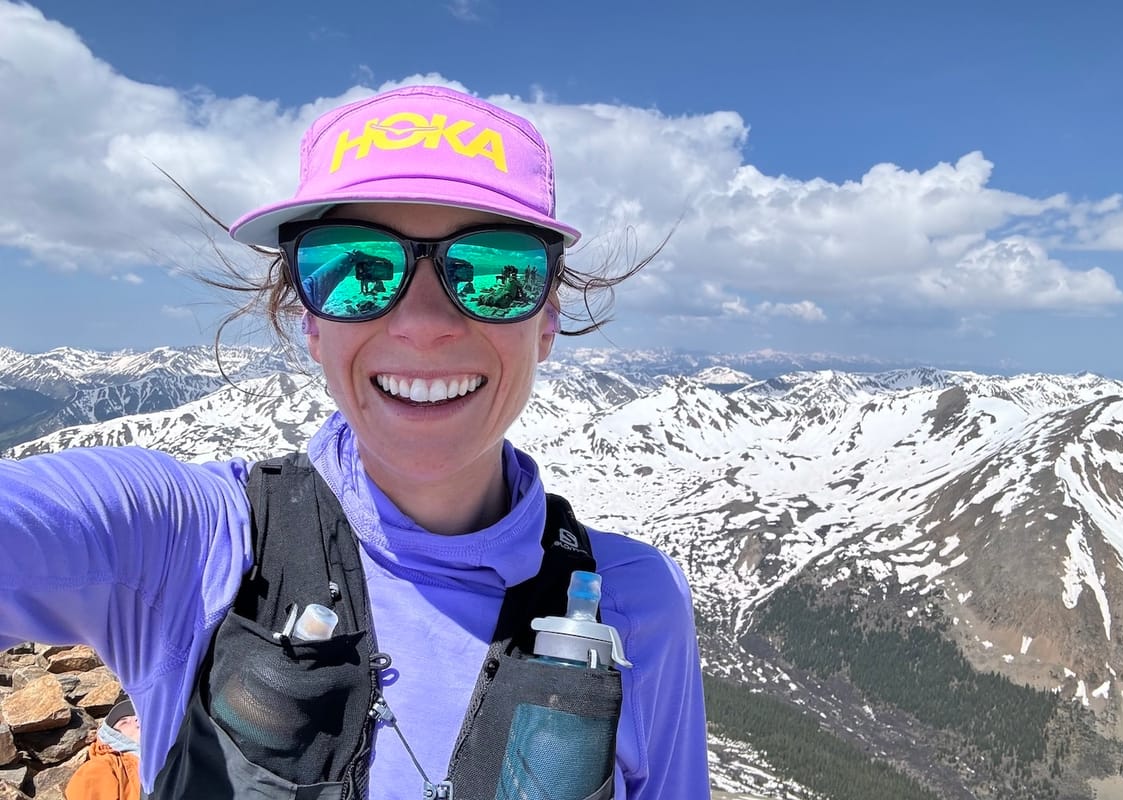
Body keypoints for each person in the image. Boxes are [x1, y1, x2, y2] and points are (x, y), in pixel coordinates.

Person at [0, 84, 709, 799]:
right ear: (311, 321)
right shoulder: (190, 549)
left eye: (494, 272)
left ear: (546, 319)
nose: (422, 323)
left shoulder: (638, 602)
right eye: (357, 269)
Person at [64, 699, 141, 800]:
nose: (137, 719)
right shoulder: (101, 767)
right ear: (113, 736)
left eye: (139, 716)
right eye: (124, 722)